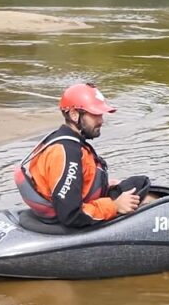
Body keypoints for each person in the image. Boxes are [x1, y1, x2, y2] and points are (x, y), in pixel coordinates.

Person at [13, 82, 151, 229]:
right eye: (95, 115)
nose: (101, 121)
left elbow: (74, 180)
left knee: (139, 184)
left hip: (72, 204)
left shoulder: (65, 140)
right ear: (74, 115)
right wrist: (115, 206)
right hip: (68, 219)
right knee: (144, 199)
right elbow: (71, 214)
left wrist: (105, 185)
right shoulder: (66, 153)